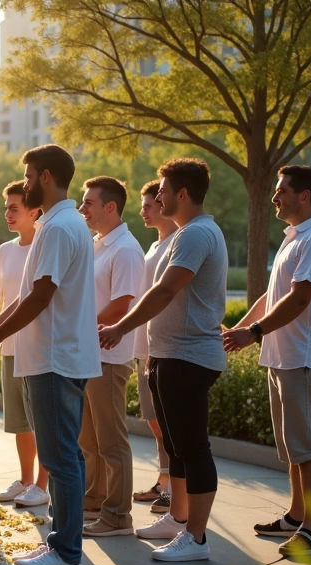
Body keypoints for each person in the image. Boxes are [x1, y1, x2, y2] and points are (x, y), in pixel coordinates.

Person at [0, 144, 101, 565]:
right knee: (66, 456)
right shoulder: (59, 224)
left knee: (60, 459)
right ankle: (64, 544)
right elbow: (26, 295)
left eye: (27, 177)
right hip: (56, 356)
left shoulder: (58, 228)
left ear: (45, 176)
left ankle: (65, 551)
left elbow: (41, 296)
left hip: (54, 358)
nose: (24, 185)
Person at [98, 158, 229, 563]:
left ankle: (196, 538)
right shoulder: (185, 234)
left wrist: (121, 327)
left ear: (182, 195)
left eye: (163, 191)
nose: (158, 196)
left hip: (188, 355)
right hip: (168, 354)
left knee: (193, 447)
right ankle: (178, 518)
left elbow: (165, 290)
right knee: (175, 445)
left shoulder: (197, 234)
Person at [222, 165, 311, 557]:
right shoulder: (296, 238)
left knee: (307, 446)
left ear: (304, 196)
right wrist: (240, 330)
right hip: (285, 357)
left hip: (305, 358)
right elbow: (273, 297)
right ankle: (296, 516)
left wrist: (254, 333)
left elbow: (301, 297)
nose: (275, 197)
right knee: (293, 447)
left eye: (281, 191)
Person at [78, 176, 145, 537]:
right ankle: (96, 498)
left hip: (109, 355)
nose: (82, 209)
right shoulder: (97, 245)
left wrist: (80, 328)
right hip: (89, 354)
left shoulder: (126, 250)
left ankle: (118, 515)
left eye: (88, 203)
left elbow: (122, 305)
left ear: (111, 207)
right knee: (89, 439)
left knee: (111, 440)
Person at [0, 181, 50, 508]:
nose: (8, 214)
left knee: (41, 421)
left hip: (38, 346)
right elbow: (4, 302)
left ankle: (42, 485)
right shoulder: (4, 250)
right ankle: (26, 480)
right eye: (6, 208)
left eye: (14, 208)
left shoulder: (46, 245)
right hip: (10, 346)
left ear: (33, 211)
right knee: (19, 421)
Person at [131, 180, 178, 514]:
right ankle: (164, 481)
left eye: (149, 205)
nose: (143, 211)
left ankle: (175, 489)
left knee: (167, 424)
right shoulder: (153, 246)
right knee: (154, 420)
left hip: (163, 347)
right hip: (144, 345)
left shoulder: (177, 243)